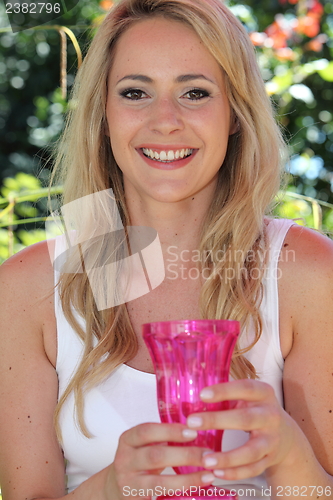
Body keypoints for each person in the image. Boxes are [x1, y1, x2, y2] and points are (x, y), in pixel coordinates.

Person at [0, 0, 333, 498]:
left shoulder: (306, 274)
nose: (166, 121)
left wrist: (288, 455)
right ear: (105, 115)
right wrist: (112, 486)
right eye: (135, 92)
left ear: (235, 113)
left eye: (195, 93)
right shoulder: (25, 290)